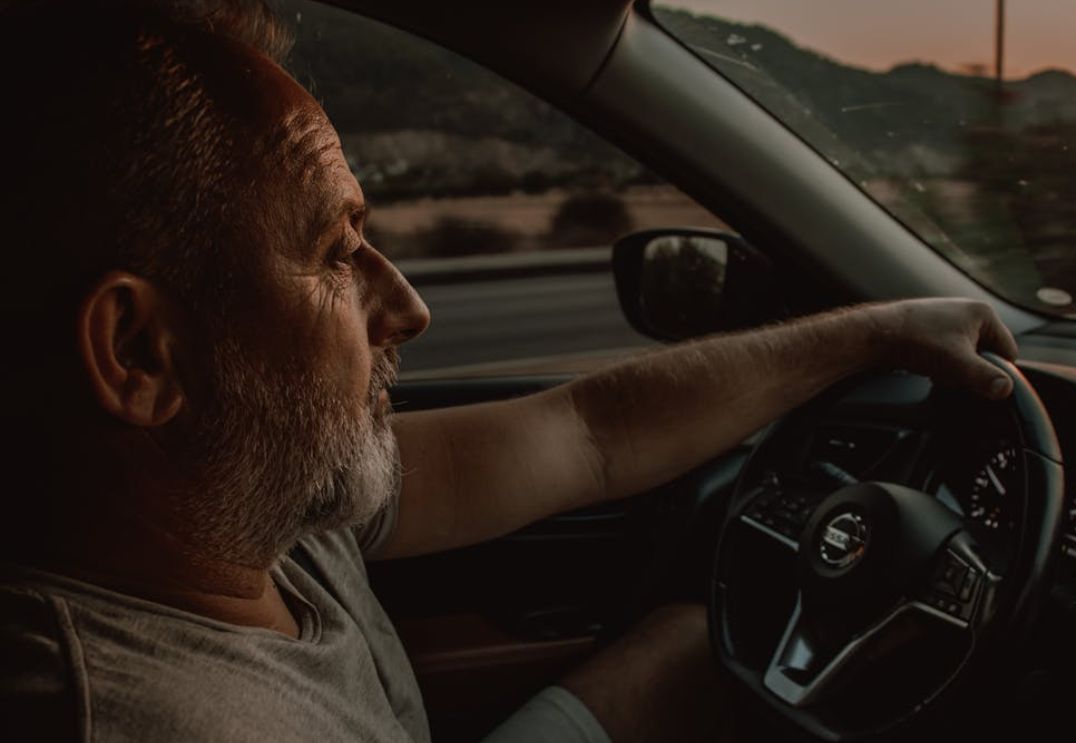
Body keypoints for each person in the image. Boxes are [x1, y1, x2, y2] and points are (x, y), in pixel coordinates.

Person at [0, 1, 1019, 741]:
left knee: (697, 643)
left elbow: (589, 434)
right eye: (337, 253)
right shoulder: (139, 713)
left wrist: (877, 329)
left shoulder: (249, 493)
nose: (407, 307)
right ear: (139, 352)